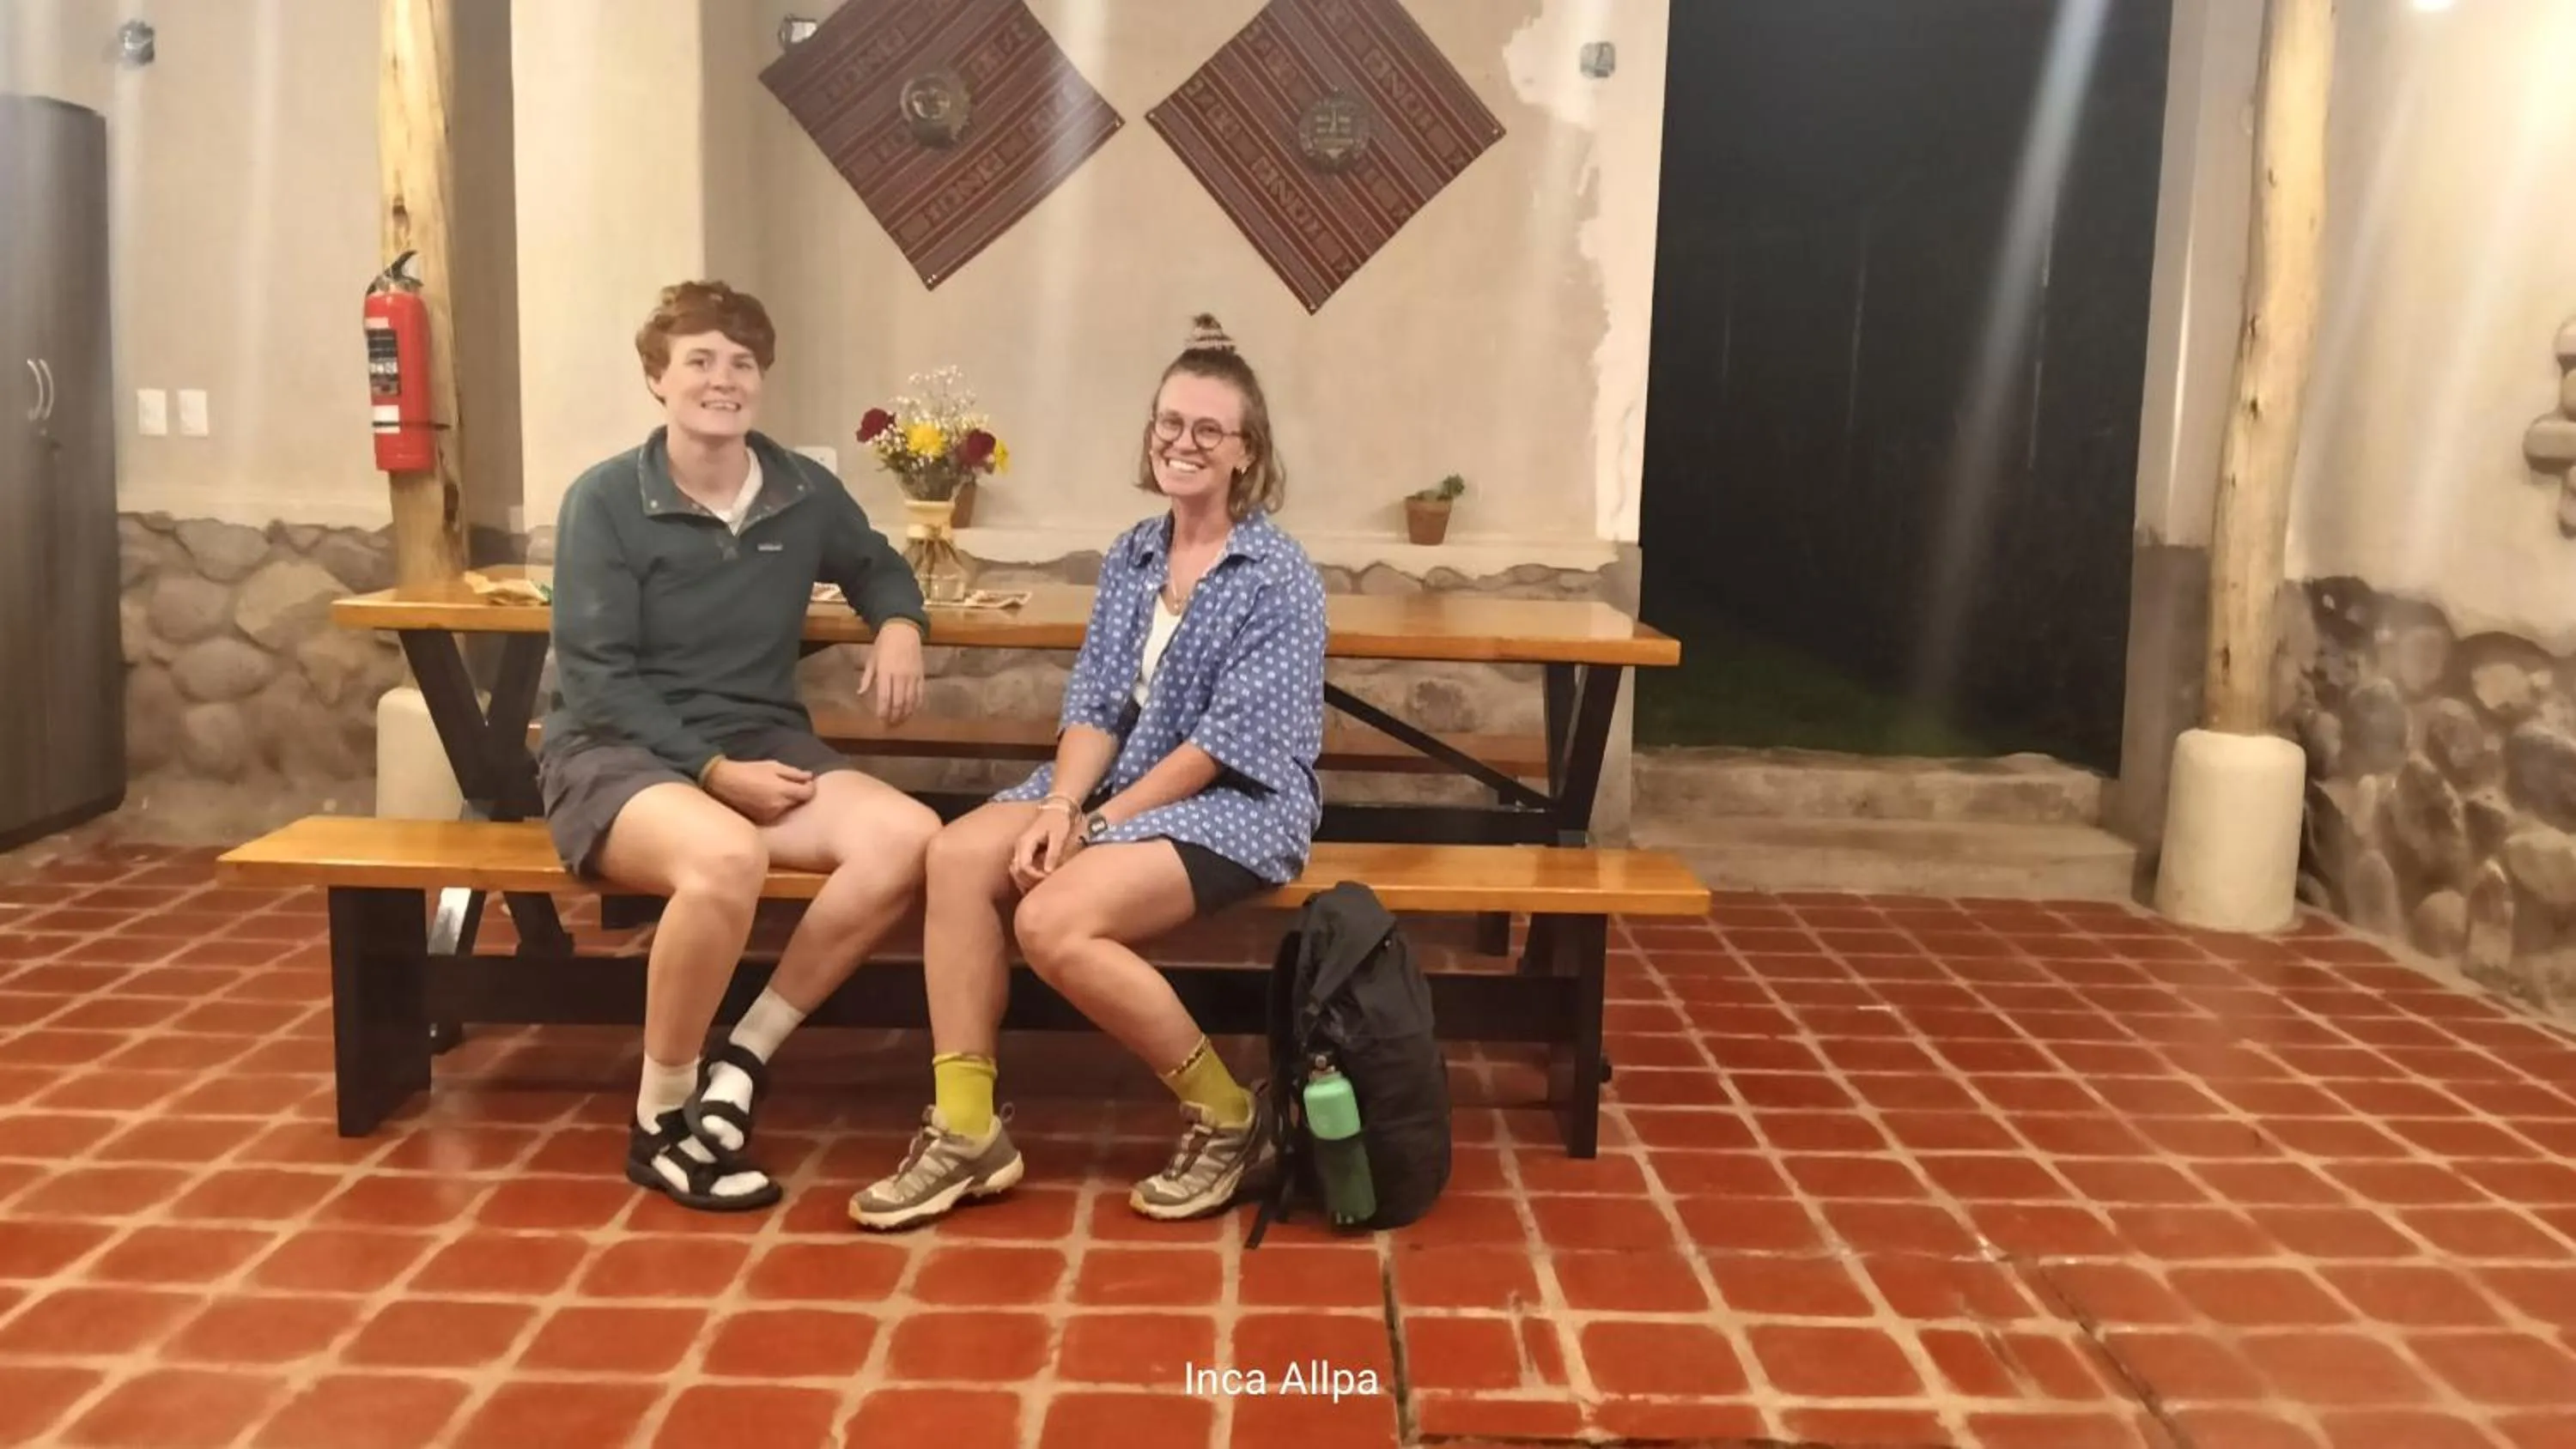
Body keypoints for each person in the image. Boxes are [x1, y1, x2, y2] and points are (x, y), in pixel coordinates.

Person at [850, 314, 1327, 1229]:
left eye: (1206, 430)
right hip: (1120, 785)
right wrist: (1066, 800)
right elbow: (1098, 704)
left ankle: (1232, 1116)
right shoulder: (1135, 553)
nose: (1181, 443)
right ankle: (966, 1130)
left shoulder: (1279, 574)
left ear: (1245, 452)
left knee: (1052, 921)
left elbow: (1223, 745)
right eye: (1168, 423)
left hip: (1237, 800)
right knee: (953, 857)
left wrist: (1096, 827)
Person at [538, 280, 941, 1213]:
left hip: (757, 737)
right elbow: (597, 680)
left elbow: (877, 563)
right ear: (657, 378)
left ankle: (744, 1057)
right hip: (611, 752)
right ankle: (662, 1117)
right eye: (699, 360)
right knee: (728, 854)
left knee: (908, 836)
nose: (723, 379)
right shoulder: (603, 500)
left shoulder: (800, 489)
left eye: (742, 362)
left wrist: (899, 624)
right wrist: (714, 774)